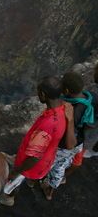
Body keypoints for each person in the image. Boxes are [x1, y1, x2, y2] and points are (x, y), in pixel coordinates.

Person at [0, 76, 68, 206]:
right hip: (47, 159)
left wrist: (17, 171)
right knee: (30, 173)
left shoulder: (47, 125)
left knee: (13, 181)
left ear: (43, 94)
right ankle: (31, 178)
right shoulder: (62, 109)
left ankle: (8, 197)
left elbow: (34, 158)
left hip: (31, 165)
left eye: (38, 92)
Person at [41, 72, 94, 200]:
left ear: (66, 90)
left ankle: (46, 183)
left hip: (66, 145)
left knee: (55, 165)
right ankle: (52, 186)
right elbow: (88, 124)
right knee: (63, 164)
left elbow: (63, 131)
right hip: (79, 142)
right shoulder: (89, 99)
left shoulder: (72, 109)